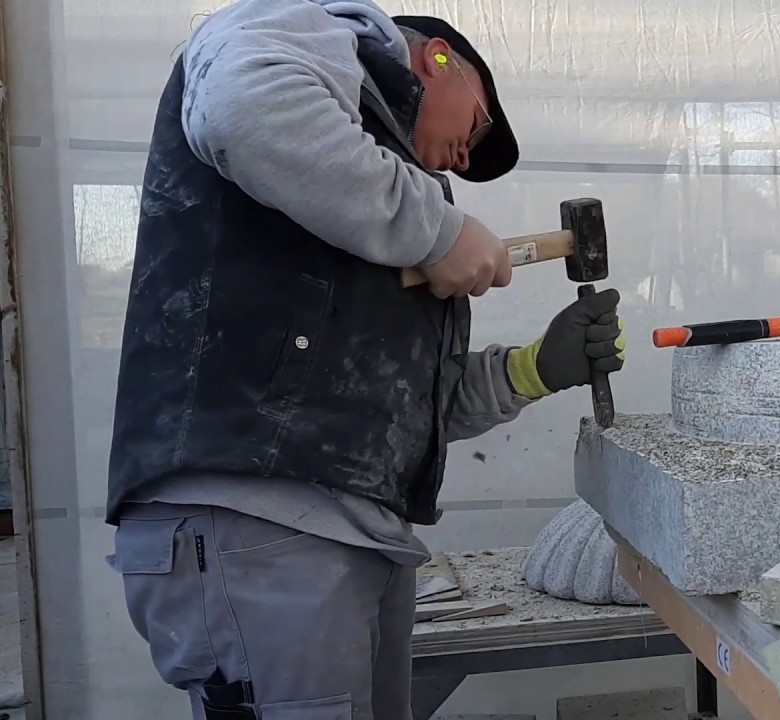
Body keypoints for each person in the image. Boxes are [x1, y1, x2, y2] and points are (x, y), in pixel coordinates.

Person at [103, 1, 625, 718]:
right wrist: (440, 232)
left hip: (348, 528)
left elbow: (396, 407)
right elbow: (241, 110)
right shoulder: (314, 35)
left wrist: (535, 368)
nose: (463, 160)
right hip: (255, 518)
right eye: (476, 127)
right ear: (437, 58)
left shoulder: (364, 199)